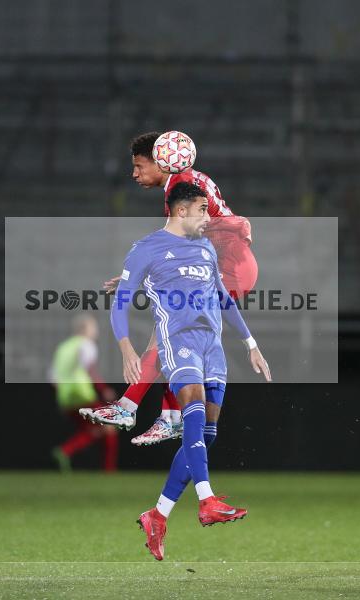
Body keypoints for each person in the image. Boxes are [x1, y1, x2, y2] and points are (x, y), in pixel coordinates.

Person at [110, 182, 271, 560]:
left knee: (206, 433)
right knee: (193, 412)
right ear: (181, 211)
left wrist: (251, 344)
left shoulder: (205, 248)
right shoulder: (146, 248)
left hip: (212, 347)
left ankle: (158, 515)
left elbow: (222, 298)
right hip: (176, 341)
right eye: (202, 209)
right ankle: (206, 499)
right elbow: (119, 302)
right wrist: (126, 348)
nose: (208, 217)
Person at [81, 132, 258, 446]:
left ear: (161, 160)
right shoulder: (187, 181)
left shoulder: (178, 190)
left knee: (169, 332)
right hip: (230, 263)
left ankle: (145, 411)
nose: (135, 173)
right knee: (168, 332)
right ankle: (158, 414)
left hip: (229, 267)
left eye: (139, 165)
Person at [50, 315, 119, 473]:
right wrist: (103, 389)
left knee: (92, 430)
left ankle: (65, 451)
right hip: (82, 393)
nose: (96, 332)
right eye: (93, 328)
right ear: (84, 329)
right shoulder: (86, 344)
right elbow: (89, 369)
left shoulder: (63, 347)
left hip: (65, 397)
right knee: (109, 427)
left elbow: (53, 378)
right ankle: (109, 471)